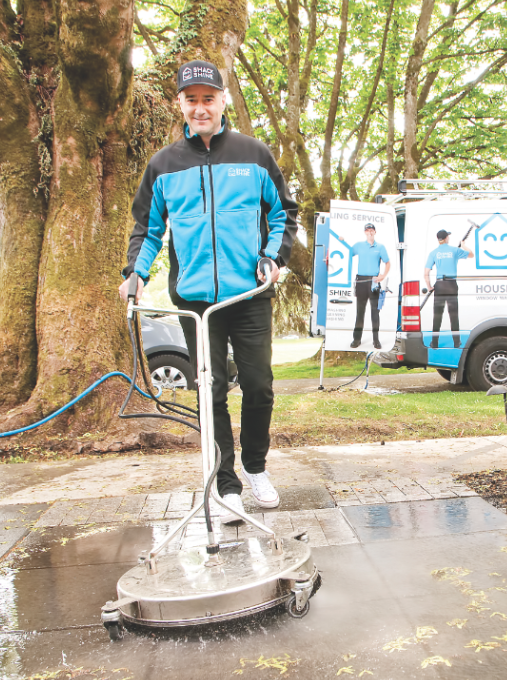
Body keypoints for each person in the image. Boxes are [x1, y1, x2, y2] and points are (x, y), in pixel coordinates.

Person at [118, 60, 298, 524]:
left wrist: (273, 259)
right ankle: (226, 484)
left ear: (223, 101)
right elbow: (148, 228)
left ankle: (255, 466)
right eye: (191, 99)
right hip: (196, 302)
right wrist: (135, 274)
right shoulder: (163, 165)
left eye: (208, 98)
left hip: (247, 297)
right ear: (180, 104)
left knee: (258, 386)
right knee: (210, 390)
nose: (201, 107)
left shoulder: (254, 154)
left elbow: (284, 215)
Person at [423, 229, 473, 348]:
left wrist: (429, 286)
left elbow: (426, 272)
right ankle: (456, 342)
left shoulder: (434, 253)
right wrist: (464, 245)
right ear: (446, 238)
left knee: (437, 315)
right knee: (454, 315)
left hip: (439, 285)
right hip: (451, 285)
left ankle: (434, 343)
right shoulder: (454, 250)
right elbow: (471, 255)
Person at [349, 223, 391, 349]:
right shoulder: (359, 246)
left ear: (375, 232)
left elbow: (387, 263)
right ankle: (356, 340)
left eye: (372, 230)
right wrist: (341, 241)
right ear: (365, 232)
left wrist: (383, 275)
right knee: (360, 312)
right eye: (367, 230)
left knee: (375, 312)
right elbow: (346, 252)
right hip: (361, 280)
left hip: (374, 281)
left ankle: (376, 340)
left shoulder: (381, 247)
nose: (370, 232)